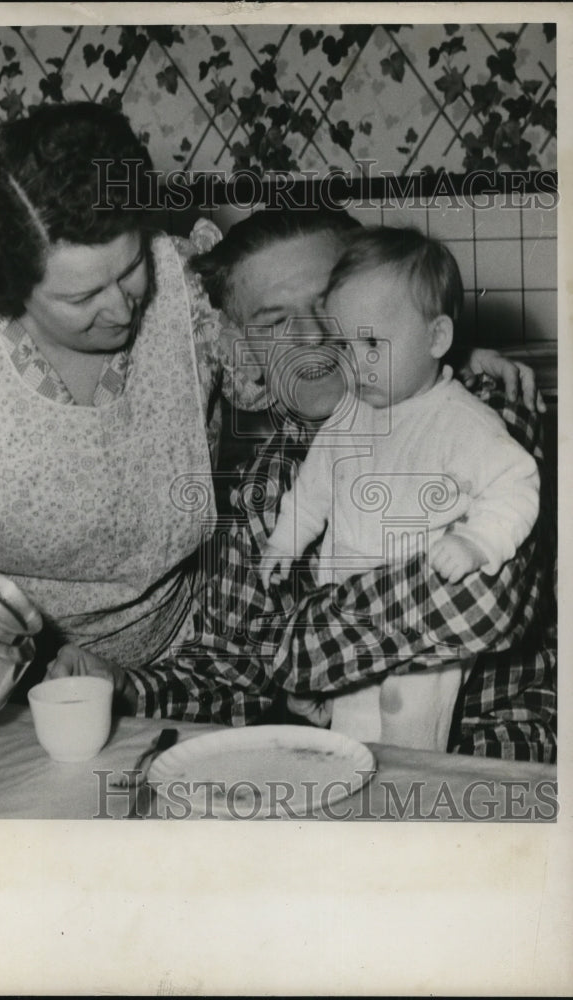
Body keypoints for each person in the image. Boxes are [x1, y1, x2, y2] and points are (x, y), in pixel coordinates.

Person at [49, 207, 556, 761]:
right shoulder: (264, 491)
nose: (314, 337)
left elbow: (479, 602)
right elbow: (231, 675)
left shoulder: (491, 405)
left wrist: (291, 651)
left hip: (492, 753)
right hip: (355, 762)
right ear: (247, 350)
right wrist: (124, 686)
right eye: (273, 321)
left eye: (325, 306)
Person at [0, 101, 267, 685]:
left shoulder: (190, 291)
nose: (121, 308)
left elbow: (285, 397)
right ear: (9, 293)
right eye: (81, 298)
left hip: (177, 665)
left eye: (131, 266)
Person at [258, 226, 540, 750]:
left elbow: (516, 483)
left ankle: (412, 798)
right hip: (346, 607)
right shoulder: (346, 417)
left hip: (427, 610)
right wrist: (285, 540)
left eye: (371, 343)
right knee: (354, 735)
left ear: (436, 338)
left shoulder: (464, 420)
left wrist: (479, 543)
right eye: (345, 342)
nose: (355, 361)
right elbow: (314, 487)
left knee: (410, 725)